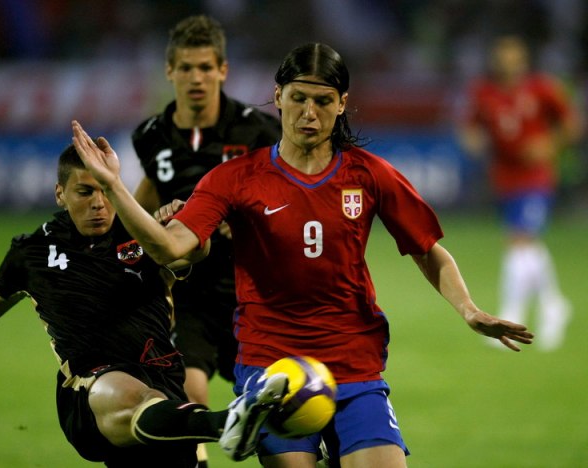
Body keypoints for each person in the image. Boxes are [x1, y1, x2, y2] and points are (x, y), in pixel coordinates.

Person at [72, 41, 534, 468]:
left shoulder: (369, 174)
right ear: (278, 96)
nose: (309, 113)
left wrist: (468, 309)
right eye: (298, 98)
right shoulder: (235, 178)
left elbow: (428, 251)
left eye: (323, 101)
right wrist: (114, 186)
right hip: (273, 368)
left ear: (342, 104)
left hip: (354, 363)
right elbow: (169, 245)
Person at [0, 143, 289, 467]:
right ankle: (229, 422)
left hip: (163, 383)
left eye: (105, 190)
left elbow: (193, 253)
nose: (98, 203)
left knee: (153, 417)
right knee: (129, 395)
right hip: (89, 389)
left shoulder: (143, 234)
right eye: (85, 192)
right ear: (60, 194)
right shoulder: (32, 253)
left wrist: (183, 224)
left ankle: (228, 424)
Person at [130, 15, 281, 467]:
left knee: (275, 410)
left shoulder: (258, 132)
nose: (196, 78)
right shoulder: (150, 137)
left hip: (250, 293)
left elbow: (288, 202)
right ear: (169, 71)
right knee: (187, 395)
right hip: (186, 293)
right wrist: (152, 222)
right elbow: (142, 206)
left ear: (222, 70)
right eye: (186, 68)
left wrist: (250, 219)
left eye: (205, 67)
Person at [457, 35, 582, 351]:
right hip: (504, 178)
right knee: (528, 245)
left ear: (523, 61)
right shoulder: (484, 93)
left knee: (519, 241)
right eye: (502, 59)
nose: (507, 64)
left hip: (536, 176)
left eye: (513, 58)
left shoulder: (542, 88)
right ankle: (554, 304)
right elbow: (470, 125)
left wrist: (550, 145)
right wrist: (472, 140)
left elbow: (571, 123)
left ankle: (511, 314)